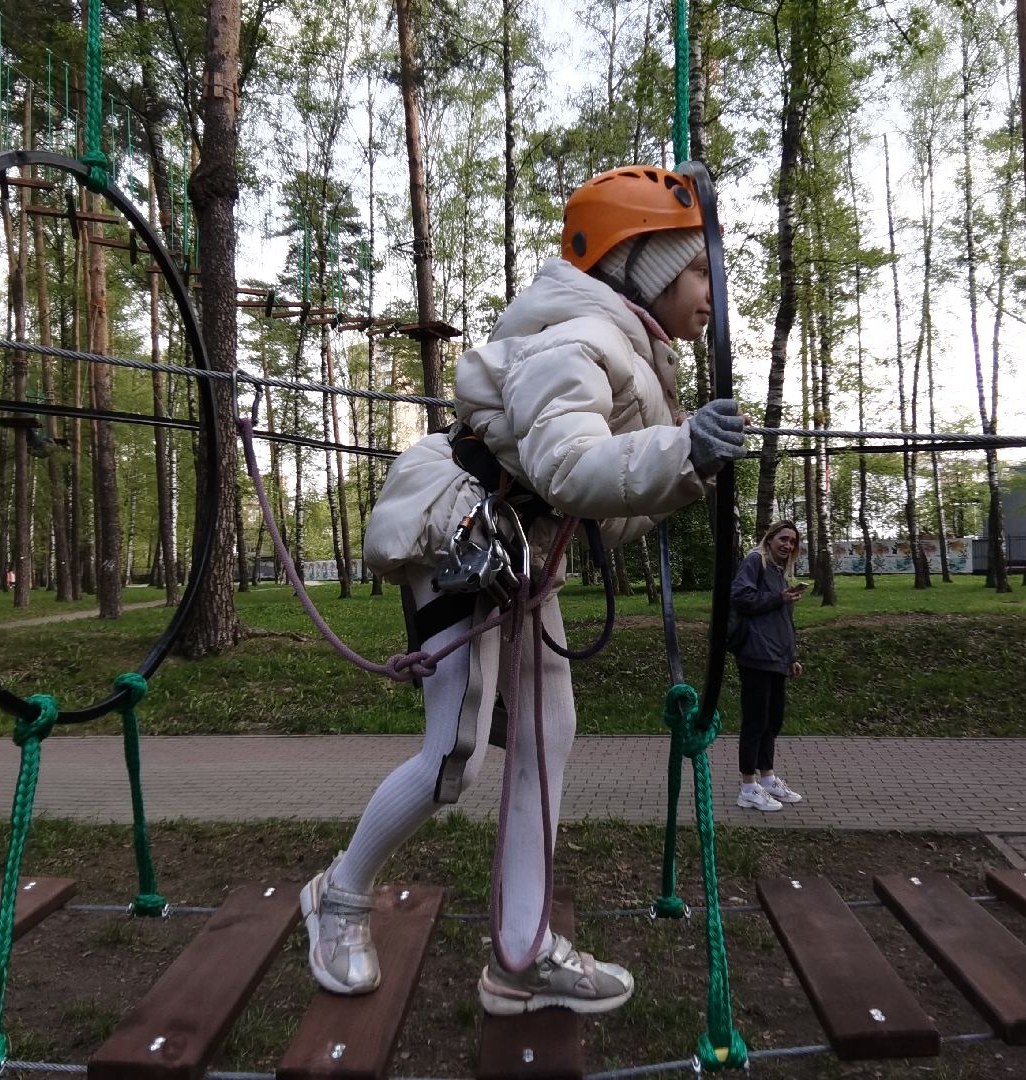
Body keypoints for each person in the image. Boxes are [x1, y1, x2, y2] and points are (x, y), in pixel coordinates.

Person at [299, 165, 747, 1015]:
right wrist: (681, 453)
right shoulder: (576, 337)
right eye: (699, 273)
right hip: (461, 531)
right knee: (452, 755)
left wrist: (682, 468)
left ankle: (522, 952)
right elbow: (568, 468)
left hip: (518, 546)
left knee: (548, 738)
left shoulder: (627, 356)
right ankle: (339, 895)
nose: (712, 295)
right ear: (643, 268)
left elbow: (601, 510)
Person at [730, 520, 805, 812]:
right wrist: (778, 597)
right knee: (755, 721)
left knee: (773, 721)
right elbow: (740, 596)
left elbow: (783, 621)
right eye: (783, 539)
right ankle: (748, 787)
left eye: (793, 542)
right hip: (755, 654)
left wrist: (792, 657)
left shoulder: (777, 572)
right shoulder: (755, 561)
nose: (788, 545)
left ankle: (768, 778)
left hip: (776, 657)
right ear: (770, 538)